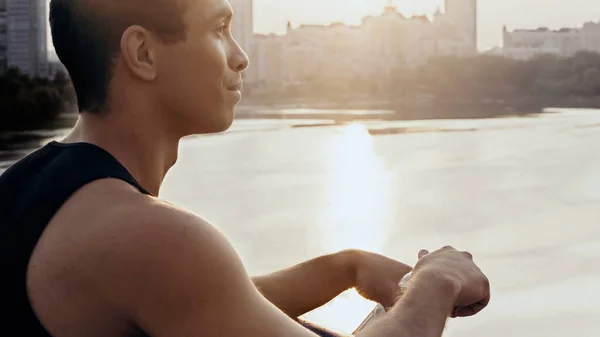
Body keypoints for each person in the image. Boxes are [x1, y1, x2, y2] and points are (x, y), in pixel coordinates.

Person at [0, 0, 491, 336]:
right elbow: (185, 277)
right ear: (143, 54)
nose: (241, 57)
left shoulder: (31, 189)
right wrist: (435, 281)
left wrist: (345, 267)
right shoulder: (147, 235)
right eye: (219, 30)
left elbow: (203, 298)